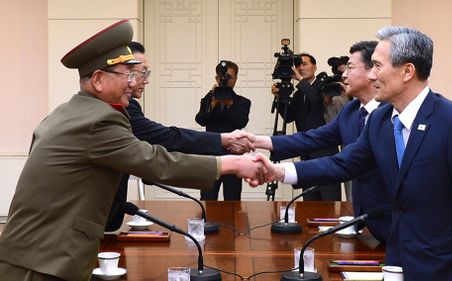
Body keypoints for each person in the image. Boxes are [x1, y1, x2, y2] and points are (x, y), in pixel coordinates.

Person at [0, 20, 265, 281]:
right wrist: (233, 164)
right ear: (99, 80)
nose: (134, 82)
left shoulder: (68, 112)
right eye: (127, 73)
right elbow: (155, 162)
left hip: (33, 252)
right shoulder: (99, 120)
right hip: (42, 263)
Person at [255, 26, 452, 281]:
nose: (371, 76)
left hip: (446, 268)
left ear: (407, 71)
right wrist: (278, 171)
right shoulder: (380, 120)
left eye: (377, 66)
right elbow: (343, 164)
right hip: (396, 261)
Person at [249, 41, 392, 244]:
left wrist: (277, 171)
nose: (343, 75)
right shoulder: (351, 112)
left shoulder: (391, 115)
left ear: (372, 72)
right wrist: (257, 141)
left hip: (393, 223)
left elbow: (344, 163)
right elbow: (312, 137)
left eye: (350, 68)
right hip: (366, 223)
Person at [106, 43, 254, 230]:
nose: (142, 81)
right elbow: (172, 136)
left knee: (233, 201)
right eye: (138, 73)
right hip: (212, 154)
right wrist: (222, 138)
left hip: (103, 217)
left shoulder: (241, 101)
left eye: (144, 74)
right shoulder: (120, 108)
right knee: (207, 200)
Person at [272, 53, 341, 201]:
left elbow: (317, 100)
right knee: (310, 200)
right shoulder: (298, 94)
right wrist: (280, 97)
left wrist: (300, 81)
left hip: (325, 153)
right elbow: (289, 117)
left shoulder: (324, 85)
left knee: (328, 199)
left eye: (304, 64)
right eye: (297, 65)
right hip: (306, 152)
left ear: (314, 66)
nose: (300, 68)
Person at [195, 61, 251, 201]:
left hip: (233, 155)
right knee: (208, 198)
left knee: (232, 198)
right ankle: (207, 223)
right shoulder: (208, 99)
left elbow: (240, 122)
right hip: (210, 157)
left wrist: (229, 104)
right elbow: (200, 120)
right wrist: (213, 103)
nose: (226, 81)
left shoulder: (243, 102)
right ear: (216, 79)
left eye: (230, 77)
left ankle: (232, 224)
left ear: (236, 79)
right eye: (222, 77)